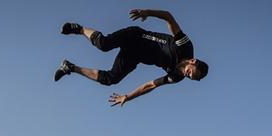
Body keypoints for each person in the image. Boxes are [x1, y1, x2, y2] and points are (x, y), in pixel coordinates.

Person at [53, 9, 209, 107]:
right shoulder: (186, 47)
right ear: (193, 61)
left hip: (134, 56)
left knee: (110, 79)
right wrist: (147, 12)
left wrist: (127, 97)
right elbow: (168, 17)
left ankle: (70, 67)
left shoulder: (176, 77)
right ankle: (79, 29)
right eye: (190, 72)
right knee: (104, 44)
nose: (186, 75)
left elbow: (151, 85)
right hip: (134, 36)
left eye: (190, 78)